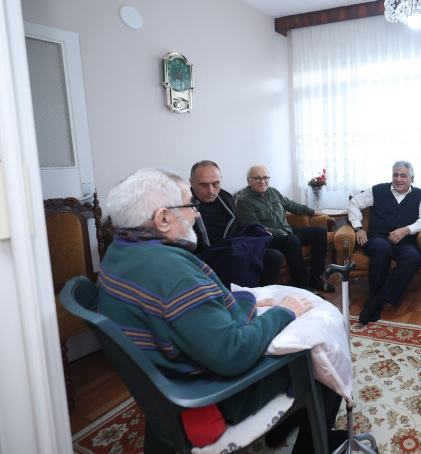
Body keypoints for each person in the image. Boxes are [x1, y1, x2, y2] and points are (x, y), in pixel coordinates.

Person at [98, 168, 346, 452]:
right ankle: (312, 447)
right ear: (163, 219)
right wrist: (284, 311)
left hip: (172, 384)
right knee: (325, 353)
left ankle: (283, 427)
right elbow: (234, 354)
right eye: (189, 205)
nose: (196, 214)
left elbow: (192, 314)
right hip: (216, 395)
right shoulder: (173, 274)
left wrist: (244, 301)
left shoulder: (118, 256)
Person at [348, 160, 421, 325]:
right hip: (378, 238)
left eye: (403, 176)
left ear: (412, 178)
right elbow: (354, 203)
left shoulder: (418, 194)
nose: (398, 179)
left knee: (413, 259)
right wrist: (358, 228)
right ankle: (376, 298)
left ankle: (377, 299)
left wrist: (407, 230)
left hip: (405, 241)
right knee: (382, 249)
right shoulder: (378, 190)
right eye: (395, 175)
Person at [235, 165, 333, 293]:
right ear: (249, 180)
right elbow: (255, 227)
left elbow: (291, 205)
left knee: (319, 232)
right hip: (267, 238)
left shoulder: (273, 192)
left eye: (265, 177)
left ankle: (316, 278)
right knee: (292, 240)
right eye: (257, 178)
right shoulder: (244, 201)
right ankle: (303, 285)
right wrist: (281, 233)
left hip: (287, 232)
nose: (262, 181)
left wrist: (314, 212)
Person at [189, 160, 284, 288]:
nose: (210, 190)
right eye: (204, 185)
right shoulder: (183, 205)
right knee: (235, 263)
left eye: (216, 183)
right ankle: (242, 297)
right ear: (191, 182)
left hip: (228, 247)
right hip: (203, 255)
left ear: (220, 179)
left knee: (274, 256)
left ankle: (259, 295)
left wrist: (256, 231)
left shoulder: (226, 199)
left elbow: (232, 231)